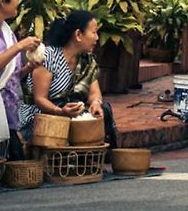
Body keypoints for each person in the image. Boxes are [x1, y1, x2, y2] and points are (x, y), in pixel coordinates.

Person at [19, 10, 117, 147]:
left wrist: (96, 103)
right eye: (93, 33)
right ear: (78, 34)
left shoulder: (87, 60)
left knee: (103, 109)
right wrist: (60, 111)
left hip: (70, 111)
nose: (96, 38)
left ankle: (90, 159)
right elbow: (40, 99)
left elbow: (94, 92)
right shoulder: (49, 57)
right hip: (43, 117)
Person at [0, 0, 41, 160]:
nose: (17, 1)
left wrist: (28, 68)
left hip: (9, 112)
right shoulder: (12, 40)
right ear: (1, 1)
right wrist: (19, 47)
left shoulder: (7, 32)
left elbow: (11, 75)